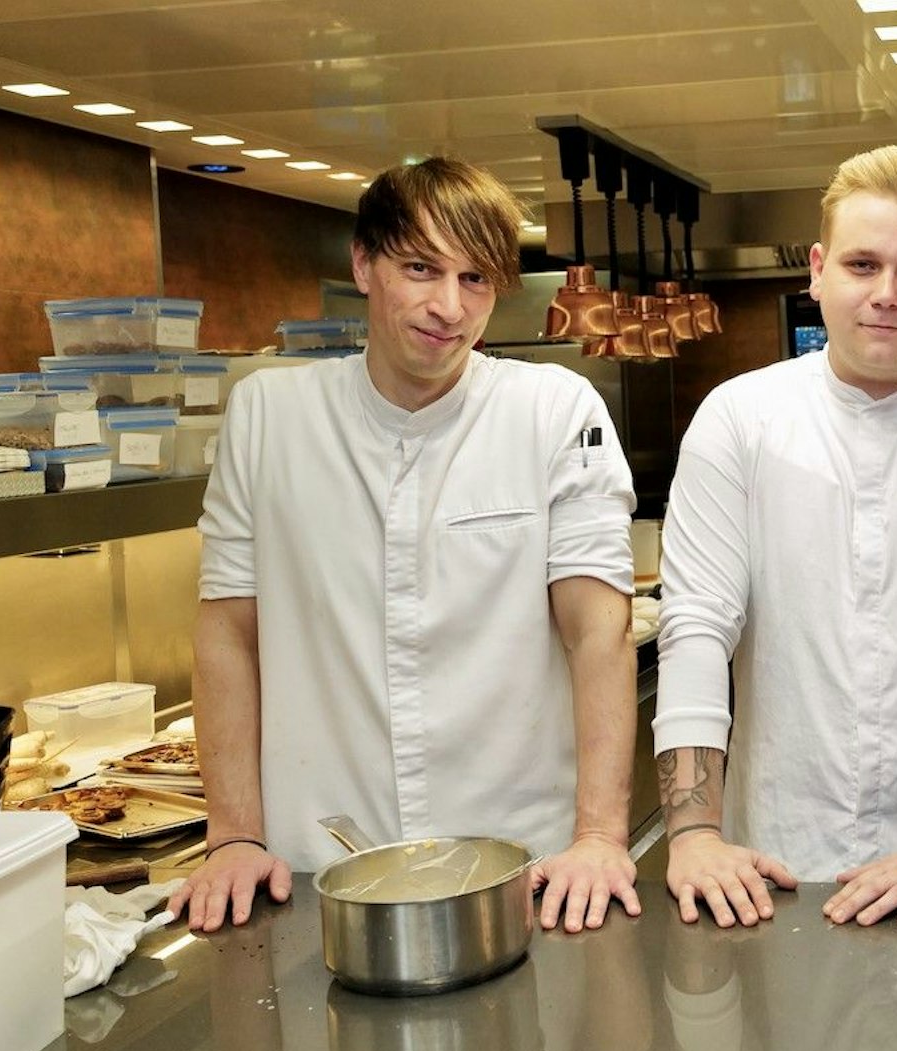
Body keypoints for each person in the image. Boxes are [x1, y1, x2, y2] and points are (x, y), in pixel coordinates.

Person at [170, 157, 641, 934]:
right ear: (363, 263)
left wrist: (599, 835)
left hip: (525, 867)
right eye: (420, 269)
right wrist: (235, 833)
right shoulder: (268, 419)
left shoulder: (554, 410)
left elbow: (600, 631)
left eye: (475, 280)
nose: (448, 307)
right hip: (322, 865)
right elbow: (227, 630)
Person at [652, 145, 897, 928]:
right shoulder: (740, 420)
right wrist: (695, 831)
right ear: (817, 270)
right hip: (774, 865)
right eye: (862, 264)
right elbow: (697, 625)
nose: (885, 294)